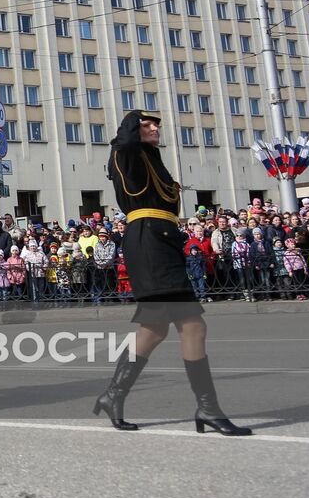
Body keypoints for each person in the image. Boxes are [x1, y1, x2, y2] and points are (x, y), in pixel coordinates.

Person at [92, 110, 251, 436]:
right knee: (192, 324)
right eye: (147, 125)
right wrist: (130, 129)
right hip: (148, 241)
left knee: (156, 329)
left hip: (161, 240)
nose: (155, 129)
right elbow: (123, 143)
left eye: (156, 124)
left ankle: (114, 395)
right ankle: (207, 408)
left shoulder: (152, 159)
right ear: (134, 131)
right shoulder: (128, 154)